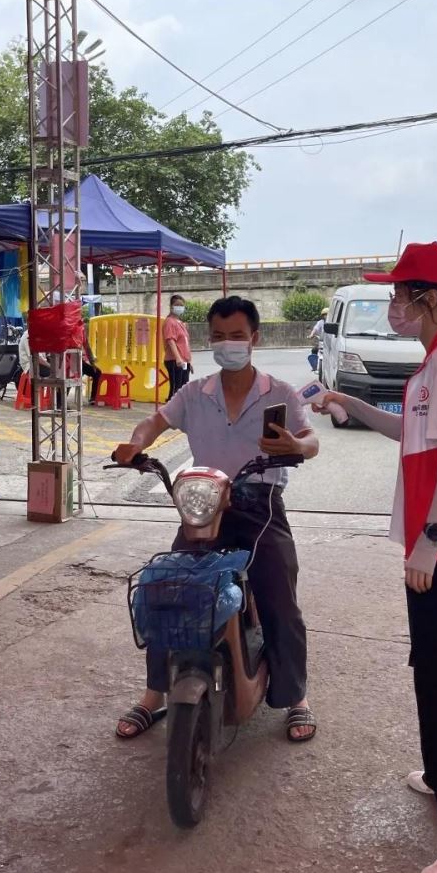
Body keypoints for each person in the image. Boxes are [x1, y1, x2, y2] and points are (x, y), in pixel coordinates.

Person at [316, 243, 437, 873]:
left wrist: (431, 538)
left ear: (428, 300)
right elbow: (412, 432)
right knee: (432, 664)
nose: (392, 304)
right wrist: (348, 403)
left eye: (399, 295)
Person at [114, 295, 319, 743]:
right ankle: (154, 694)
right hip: (204, 502)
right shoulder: (196, 393)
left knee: (279, 595)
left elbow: (311, 440)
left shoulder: (279, 392)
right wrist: (135, 444)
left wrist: (296, 447)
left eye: (238, 336)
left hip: (260, 504)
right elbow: (154, 423)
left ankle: (296, 696)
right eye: (220, 336)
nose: (229, 344)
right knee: (167, 590)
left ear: (254, 338)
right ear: (211, 339)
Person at [163, 293, 193, 399]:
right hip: (174, 360)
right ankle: (171, 406)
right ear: (171, 306)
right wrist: (178, 358)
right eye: (177, 305)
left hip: (184, 360)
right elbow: (170, 340)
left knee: (184, 386)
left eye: (182, 305)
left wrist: (189, 361)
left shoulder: (180, 323)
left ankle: (180, 407)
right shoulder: (169, 322)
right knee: (176, 388)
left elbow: (185, 343)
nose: (180, 307)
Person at [307, 306, 328, 372]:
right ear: (322, 316)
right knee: (314, 350)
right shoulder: (320, 322)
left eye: (327, 314)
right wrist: (311, 335)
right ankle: (314, 366)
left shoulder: (333, 322)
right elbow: (315, 329)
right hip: (322, 341)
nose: (326, 316)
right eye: (325, 315)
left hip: (331, 342)